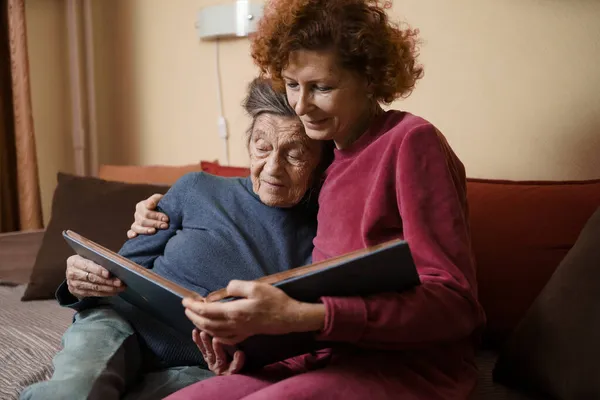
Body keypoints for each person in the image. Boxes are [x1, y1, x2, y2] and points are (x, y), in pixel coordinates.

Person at [133, 0, 487, 399]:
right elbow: (256, 199)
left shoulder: (410, 142)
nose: (300, 106)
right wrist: (244, 346)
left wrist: (299, 317)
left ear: (370, 79)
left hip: (408, 365)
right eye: (292, 84)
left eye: (322, 87)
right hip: (324, 356)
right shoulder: (325, 162)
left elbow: (455, 304)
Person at [20, 78, 333, 400]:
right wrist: (84, 280)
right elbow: (126, 268)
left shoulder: (328, 232)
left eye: (294, 155)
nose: (272, 168)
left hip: (208, 362)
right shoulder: (196, 188)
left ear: (322, 164)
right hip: (124, 324)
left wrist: (249, 359)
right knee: (76, 393)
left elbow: (298, 335)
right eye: (262, 147)